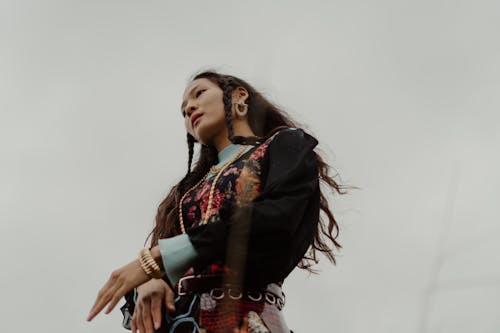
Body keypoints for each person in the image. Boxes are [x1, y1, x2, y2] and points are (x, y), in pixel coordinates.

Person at [87, 70, 347, 333]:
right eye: (183, 110)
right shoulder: (185, 194)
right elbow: (156, 266)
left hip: (250, 320)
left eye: (199, 93)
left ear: (238, 95)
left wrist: (161, 258)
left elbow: (277, 219)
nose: (189, 108)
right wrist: (151, 283)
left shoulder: (283, 146)